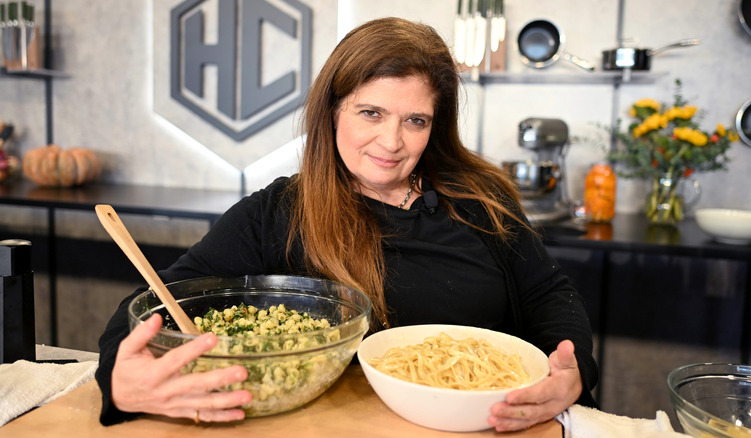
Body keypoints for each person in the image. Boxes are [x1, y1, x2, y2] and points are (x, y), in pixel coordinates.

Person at [96, 17, 598, 432]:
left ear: (436, 125)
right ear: (332, 111)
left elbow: (549, 296)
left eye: (415, 120)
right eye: (371, 112)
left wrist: (571, 374)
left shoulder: (482, 197)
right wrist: (120, 381)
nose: (391, 141)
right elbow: (159, 302)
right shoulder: (276, 213)